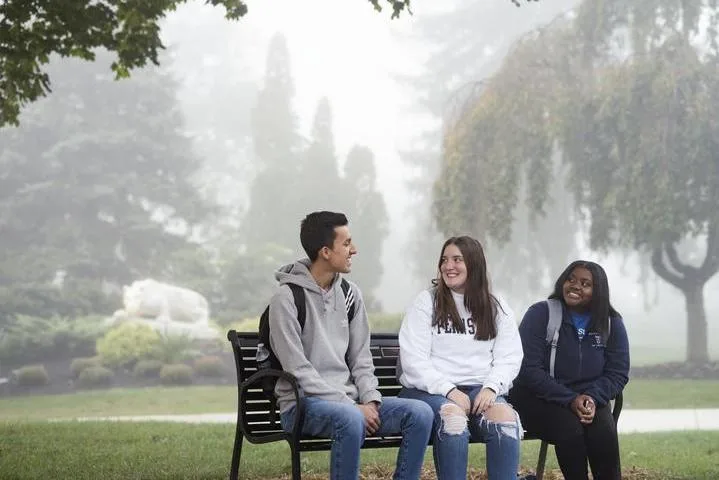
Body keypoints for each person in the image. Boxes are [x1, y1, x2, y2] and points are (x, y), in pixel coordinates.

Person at [269, 211, 434, 480]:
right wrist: (350, 406)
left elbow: (361, 357)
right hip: (302, 406)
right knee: (350, 419)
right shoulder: (286, 299)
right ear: (325, 251)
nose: (353, 250)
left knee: (420, 413)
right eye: (346, 244)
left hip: (352, 404)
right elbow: (298, 369)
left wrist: (369, 399)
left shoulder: (349, 294)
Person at [398, 235, 524, 480]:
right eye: (444, 260)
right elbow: (414, 361)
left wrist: (490, 388)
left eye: (457, 259)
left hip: (480, 390)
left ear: (474, 264)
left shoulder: (495, 306)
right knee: (453, 419)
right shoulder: (427, 302)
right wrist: (449, 391)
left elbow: (509, 357)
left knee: (505, 419)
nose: (448, 266)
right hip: (429, 392)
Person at [509, 260, 630, 480]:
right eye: (571, 279)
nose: (575, 286)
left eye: (585, 283)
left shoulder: (611, 323)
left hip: (589, 398)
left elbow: (618, 372)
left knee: (603, 430)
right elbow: (527, 369)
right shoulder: (540, 314)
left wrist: (592, 397)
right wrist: (569, 399)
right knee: (570, 427)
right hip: (539, 398)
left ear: (598, 291)